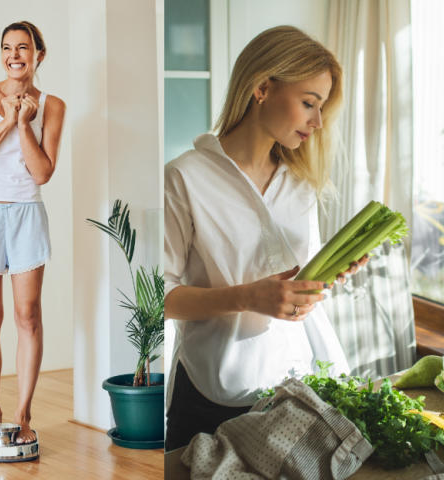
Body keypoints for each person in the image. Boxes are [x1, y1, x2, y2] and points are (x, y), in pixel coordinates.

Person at [160, 25, 367, 451]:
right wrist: (246, 298)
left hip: (295, 390)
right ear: (262, 88)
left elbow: (296, 287)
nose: (318, 121)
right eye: (309, 103)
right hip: (211, 395)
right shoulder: (185, 177)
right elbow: (157, 299)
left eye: (322, 107)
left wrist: (327, 276)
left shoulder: (301, 182)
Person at [0, 20, 66, 445]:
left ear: (39, 54)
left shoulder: (52, 106)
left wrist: (24, 125)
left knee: (28, 316)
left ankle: (22, 416)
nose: (14, 55)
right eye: (7, 47)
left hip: (25, 215)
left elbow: (42, 172)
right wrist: (4, 122)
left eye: (23, 47)